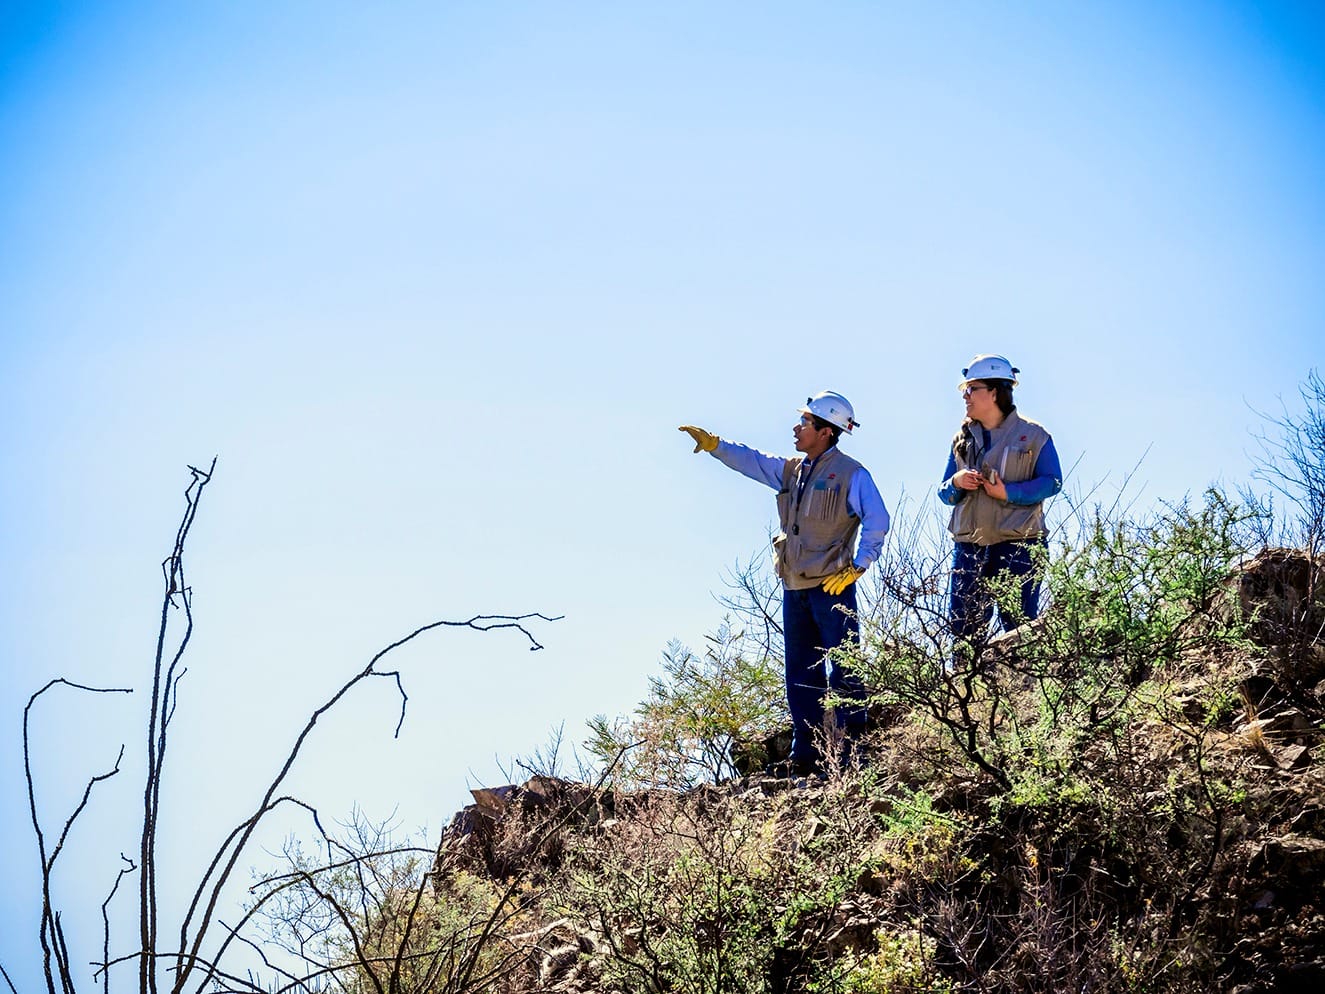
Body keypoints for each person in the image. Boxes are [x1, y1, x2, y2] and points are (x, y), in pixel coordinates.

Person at [679, 391, 890, 776]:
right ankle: (807, 757)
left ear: (826, 432)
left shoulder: (852, 474)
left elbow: (878, 520)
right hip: (794, 587)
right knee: (801, 673)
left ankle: (851, 753)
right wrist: (715, 446)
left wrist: (859, 566)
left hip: (833, 588)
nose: (797, 428)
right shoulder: (793, 469)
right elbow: (754, 462)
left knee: (844, 669)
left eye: (806, 423)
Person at [938, 355, 1062, 655]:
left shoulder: (1034, 436)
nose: (965, 396)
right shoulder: (961, 439)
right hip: (969, 546)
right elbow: (943, 492)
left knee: (1020, 627)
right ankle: (967, 696)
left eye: (971, 388)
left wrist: (1008, 493)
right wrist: (956, 483)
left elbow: (1052, 482)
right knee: (963, 628)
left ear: (994, 392)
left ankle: (1024, 692)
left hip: (1020, 545)